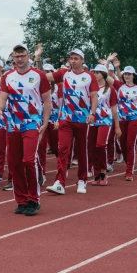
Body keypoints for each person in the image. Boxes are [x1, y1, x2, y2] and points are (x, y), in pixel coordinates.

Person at [0, 44, 50, 216]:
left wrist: (46, 122)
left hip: (31, 124)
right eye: (16, 56)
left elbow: (46, 100)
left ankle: (34, 198)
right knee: (14, 163)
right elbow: (2, 97)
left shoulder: (38, 75)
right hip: (13, 125)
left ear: (28, 56)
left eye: (22, 55)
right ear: (12, 57)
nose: (19, 59)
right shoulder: (8, 76)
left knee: (28, 160)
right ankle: (21, 200)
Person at [38, 47, 98, 196]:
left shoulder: (90, 76)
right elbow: (43, 77)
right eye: (71, 58)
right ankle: (60, 182)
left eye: (76, 58)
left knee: (81, 150)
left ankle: (82, 180)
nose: (73, 61)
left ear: (82, 60)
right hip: (65, 118)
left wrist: (92, 113)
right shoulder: (64, 74)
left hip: (83, 119)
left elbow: (94, 96)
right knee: (63, 149)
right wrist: (38, 59)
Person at [87, 64, 120, 184]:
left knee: (101, 145)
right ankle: (97, 175)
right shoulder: (90, 87)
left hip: (105, 120)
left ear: (103, 75)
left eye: (97, 72)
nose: (95, 74)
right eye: (94, 72)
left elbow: (114, 109)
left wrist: (117, 126)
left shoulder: (110, 89)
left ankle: (103, 172)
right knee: (92, 148)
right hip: (92, 121)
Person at [37, 63, 61, 183]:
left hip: (55, 121)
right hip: (42, 121)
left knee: (56, 146)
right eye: (44, 72)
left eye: (48, 71)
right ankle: (42, 173)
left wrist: (59, 120)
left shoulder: (59, 87)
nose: (46, 74)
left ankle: (61, 166)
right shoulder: (39, 86)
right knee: (41, 146)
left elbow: (62, 105)